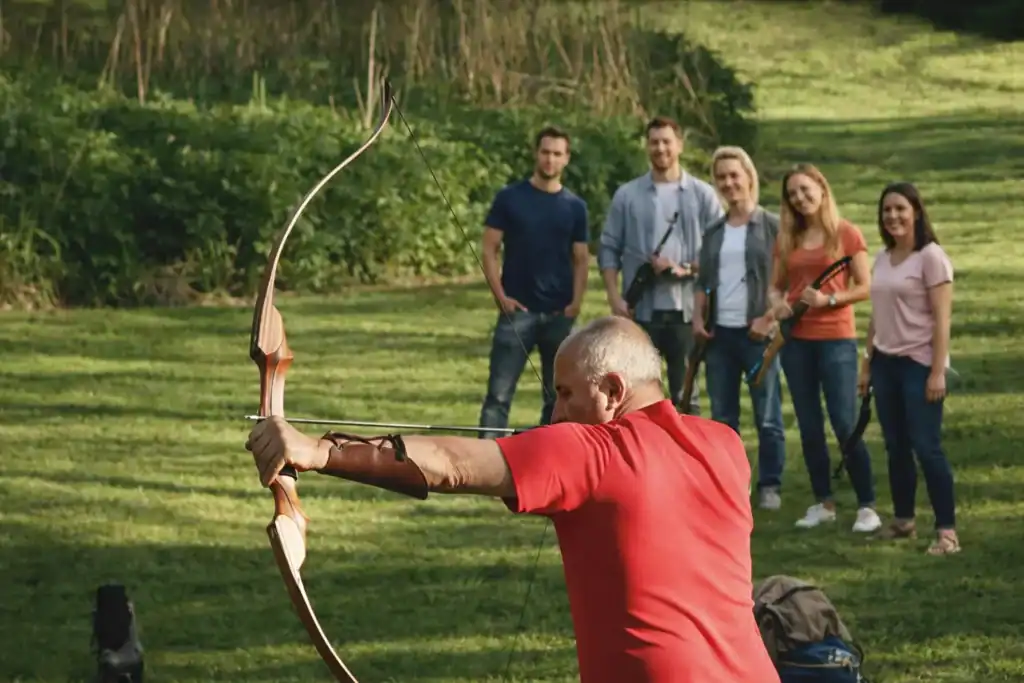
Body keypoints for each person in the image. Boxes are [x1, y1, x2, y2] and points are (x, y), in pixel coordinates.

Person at [246, 316, 780, 683]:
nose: (556, 415)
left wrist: (317, 451)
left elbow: (453, 466)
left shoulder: (591, 452)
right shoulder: (724, 444)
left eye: (566, 395)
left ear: (613, 391)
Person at [768, 163, 881, 533]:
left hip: (836, 340)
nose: (800, 199)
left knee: (844, 421)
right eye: (793, 194)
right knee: (809, 424)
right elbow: (775, 285)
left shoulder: (846, 234)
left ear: (821, 187)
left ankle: (867, 505)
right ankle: (824, 502)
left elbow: (866, 287)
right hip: (797, 343)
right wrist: (778, 303)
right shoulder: (788, 238)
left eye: (805, 189)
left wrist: (829, 302)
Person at [598, 116, 724, 415]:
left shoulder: (702, 195)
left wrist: (686, 268)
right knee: (636, 396)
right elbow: (608, 248)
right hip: (641, 311)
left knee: (686, 396)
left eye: (667, 141)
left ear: (679, 145)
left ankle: (686, 459)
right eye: (654, 142)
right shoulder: (627, 195)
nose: (660, 148)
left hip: (688, 311)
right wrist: (615, 298)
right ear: (646, 146)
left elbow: (721, 251)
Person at [859, 182, 959, 555]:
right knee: (896, 446)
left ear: (916, 211)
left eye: (900, 208)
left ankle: (947, 532)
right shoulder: (884, 257)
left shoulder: (932, 257)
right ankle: (904, 520)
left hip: (919, 365)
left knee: (926, 447)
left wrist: (937, 371)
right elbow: (877, 316)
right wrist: (866, 364)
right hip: (885, 364)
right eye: (887, 210)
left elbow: (942, 320)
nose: (893, 216)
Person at [477, 126, 591, 438]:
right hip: (518, 311)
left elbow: (581, 258)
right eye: (545, 152)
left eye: (557, 154)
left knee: (558, 398)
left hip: (559, 315)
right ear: (535, 154)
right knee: (498, 396)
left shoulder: (575, 207)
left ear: (566, 159)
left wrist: (576, 303)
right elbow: (489, 248)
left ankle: (547, 456)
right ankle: (485, 461)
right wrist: (499, 295)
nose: (550, 159)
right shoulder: (509, 198)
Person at [695, 146, 787, 510]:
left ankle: (770, 485)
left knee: (767, 415)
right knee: (722, 419)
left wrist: (770, 318)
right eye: (721, 177)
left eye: (735, 175)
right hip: (719, 336)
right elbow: (703, 281)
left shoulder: (773, 226)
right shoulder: (714, 231)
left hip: (759, 335)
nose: (729, 183)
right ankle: (730, 486)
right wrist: (699, 319)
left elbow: (789, 281)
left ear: (749, 177)